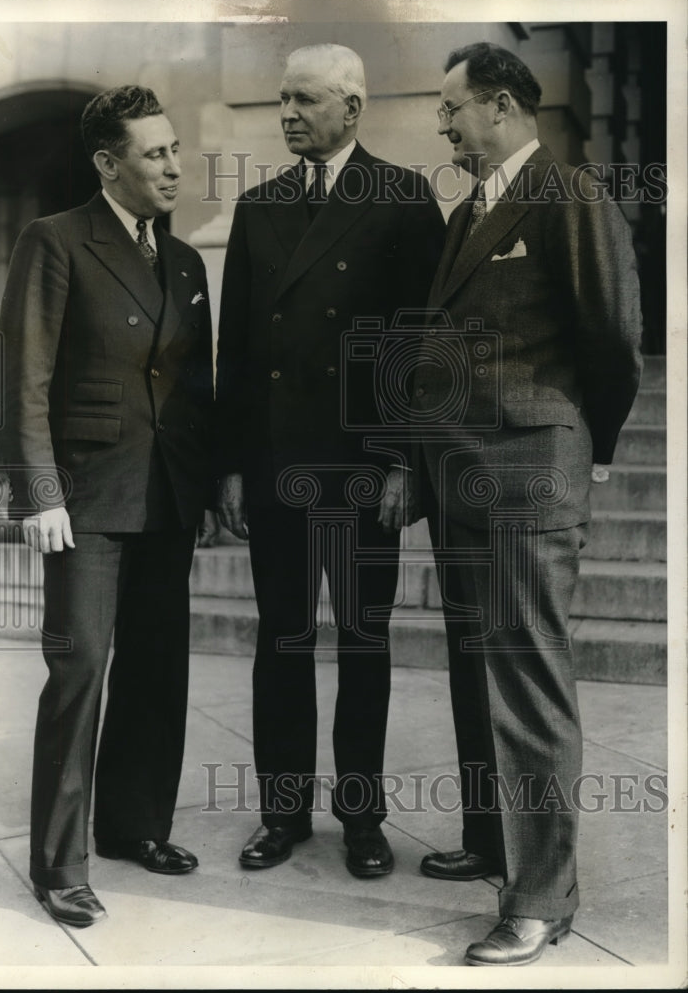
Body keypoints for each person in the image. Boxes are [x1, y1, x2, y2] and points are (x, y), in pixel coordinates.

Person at [380, 42, 643, 965]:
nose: (442, 124)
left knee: (525, 685)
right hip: (460, 482)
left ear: (498, 107)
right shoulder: (471, 210)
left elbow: (612, 341)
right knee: (474, 673)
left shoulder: (569, 197)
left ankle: (539, 899)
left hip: (527, 477)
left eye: (451, 109)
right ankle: (494, 845)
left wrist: (574, 449)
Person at [215, 43, 445, 878]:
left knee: (362, 642)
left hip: (360, 467)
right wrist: (232, 468)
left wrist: (401, 462)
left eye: (304, 100)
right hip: (275, 465)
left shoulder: (403, 199)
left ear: (352, 108)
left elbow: (422, 346)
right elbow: (235, 354)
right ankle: (282, 816)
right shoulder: (257, 206)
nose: (286, 115)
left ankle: (361, 820)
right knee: (278, 641)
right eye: (281, 100)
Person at [0, 85, 214, 927]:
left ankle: (135, 828)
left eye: (174, 149)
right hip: (83, 501)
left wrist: (211, 483)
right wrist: (38, 491)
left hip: (166, 495)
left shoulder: (186, 261)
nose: (173, 165)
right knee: (80, 670)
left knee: (159, 670)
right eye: (154, 153)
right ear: (107, 163)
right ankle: (58, 864)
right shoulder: (54, 241)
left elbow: (196, 387)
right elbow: (26, 375)